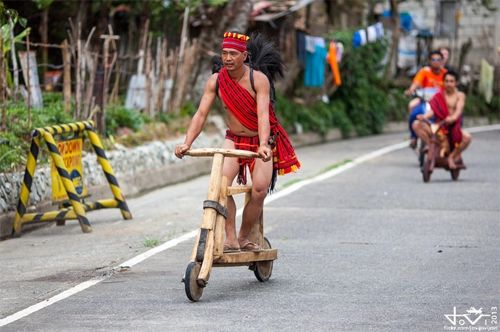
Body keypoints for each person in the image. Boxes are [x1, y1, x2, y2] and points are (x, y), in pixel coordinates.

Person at [174, 32, 301, 252]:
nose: (228, 58)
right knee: (221, 187)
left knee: (260, 190)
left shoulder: (258, 79)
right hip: (233, 140)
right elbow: (200, 114)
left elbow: (263, 115)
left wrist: (263, 144)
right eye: (224, 53)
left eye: (233, 53)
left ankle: (243, 237)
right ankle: (230, 238)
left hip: (260, 140)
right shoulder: (216, 80)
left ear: (245, 55)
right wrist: (187, 143)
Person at [411, 71, 472, 169]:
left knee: (468, 137)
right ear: (443, 82)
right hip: (439, 127)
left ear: (456, 83)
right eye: (446, 81)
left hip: (453, 128)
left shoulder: (460, 95)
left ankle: (451, 156)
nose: (448, 84)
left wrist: (453, 118)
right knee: (416, 124)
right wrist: (424, 117)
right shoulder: (439, 95)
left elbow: (459, 110)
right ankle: (432, 146)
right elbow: (433, 110)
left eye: (451, 81)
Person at [405, 50, 448, 148]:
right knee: (412, 107)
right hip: (425, 100)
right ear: (429, 61)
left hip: (440, 102)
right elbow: (416, 82)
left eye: (438, 59)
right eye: (433, 59)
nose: (435, 62)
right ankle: (413, 137)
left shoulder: (446, 74)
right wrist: (411, 90)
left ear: (442, 61)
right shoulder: (425, 71)